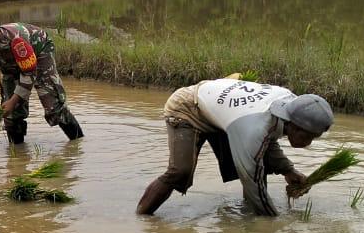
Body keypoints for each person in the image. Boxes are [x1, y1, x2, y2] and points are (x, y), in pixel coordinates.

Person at [136, 76, 334, 217]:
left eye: (314, 137)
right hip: (188, 107)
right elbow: (253, 182)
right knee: (179, 172)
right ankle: (141, 219)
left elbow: (267, 140)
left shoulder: (291, 106)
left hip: (226, 110)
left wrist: (288, 170)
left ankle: (246, 219)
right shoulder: (253, 128)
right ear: (294, 125)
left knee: (258, 161)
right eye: (307, 136)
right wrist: (272, 223)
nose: (309, 143)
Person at [0, 11, 84, 144]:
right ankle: (18, 158)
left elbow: (29, 73)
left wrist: (14, 100)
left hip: (39, 52)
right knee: (10, 115)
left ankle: (78, 145)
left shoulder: (16, 40)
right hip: (10, 65)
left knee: (53, 107)